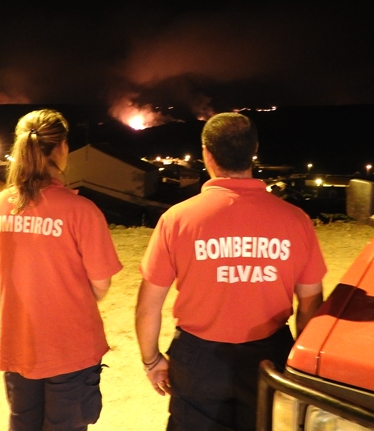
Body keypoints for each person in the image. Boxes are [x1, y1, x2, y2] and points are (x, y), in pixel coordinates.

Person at [135, 112, 327, 431]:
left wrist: (152, 360)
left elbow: (147, 306)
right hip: (269, 356)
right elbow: (310, 304)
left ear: (206, 154)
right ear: (254, 150)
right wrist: (302, 369)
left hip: (198, 360)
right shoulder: (296, 220)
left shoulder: (177, 219)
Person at [0, 109, 123, 431]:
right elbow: (100, 284)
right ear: (62, 147)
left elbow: (3, 269)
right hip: (70, 347)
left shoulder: (2, 205)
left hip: (20, 342)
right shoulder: (82, 210)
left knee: (23, 424)